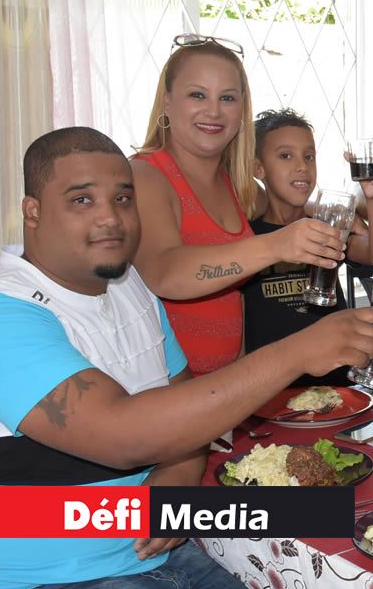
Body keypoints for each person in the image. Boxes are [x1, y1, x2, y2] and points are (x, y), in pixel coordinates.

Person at [0, 127, 373, 589]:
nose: (111, 218)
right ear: (32, 212)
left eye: (123, 199)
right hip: (38, 583)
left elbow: (188, 417)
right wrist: (297, 352)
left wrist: (176, 481)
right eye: (82, 201)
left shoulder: (130, 290)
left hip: (161, 555)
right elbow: (124, 435)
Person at [131, 35, 348, 375]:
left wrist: (367, 199)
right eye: (197, 94)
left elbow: (295, 201)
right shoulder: (145, 174)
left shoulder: (239, 187)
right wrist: (276, 245)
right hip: (165, 396)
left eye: (227, 98)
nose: (214, 110)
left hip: (229, 395)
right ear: (167, 102)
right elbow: (165, 273)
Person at [240, 108, 373, 384]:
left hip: (336, 381)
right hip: (271, 384)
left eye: (309, 156)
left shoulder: (326, 224)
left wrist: (372, 198)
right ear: (258, 168)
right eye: (286, 156)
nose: (302, 166)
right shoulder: (247, 237)